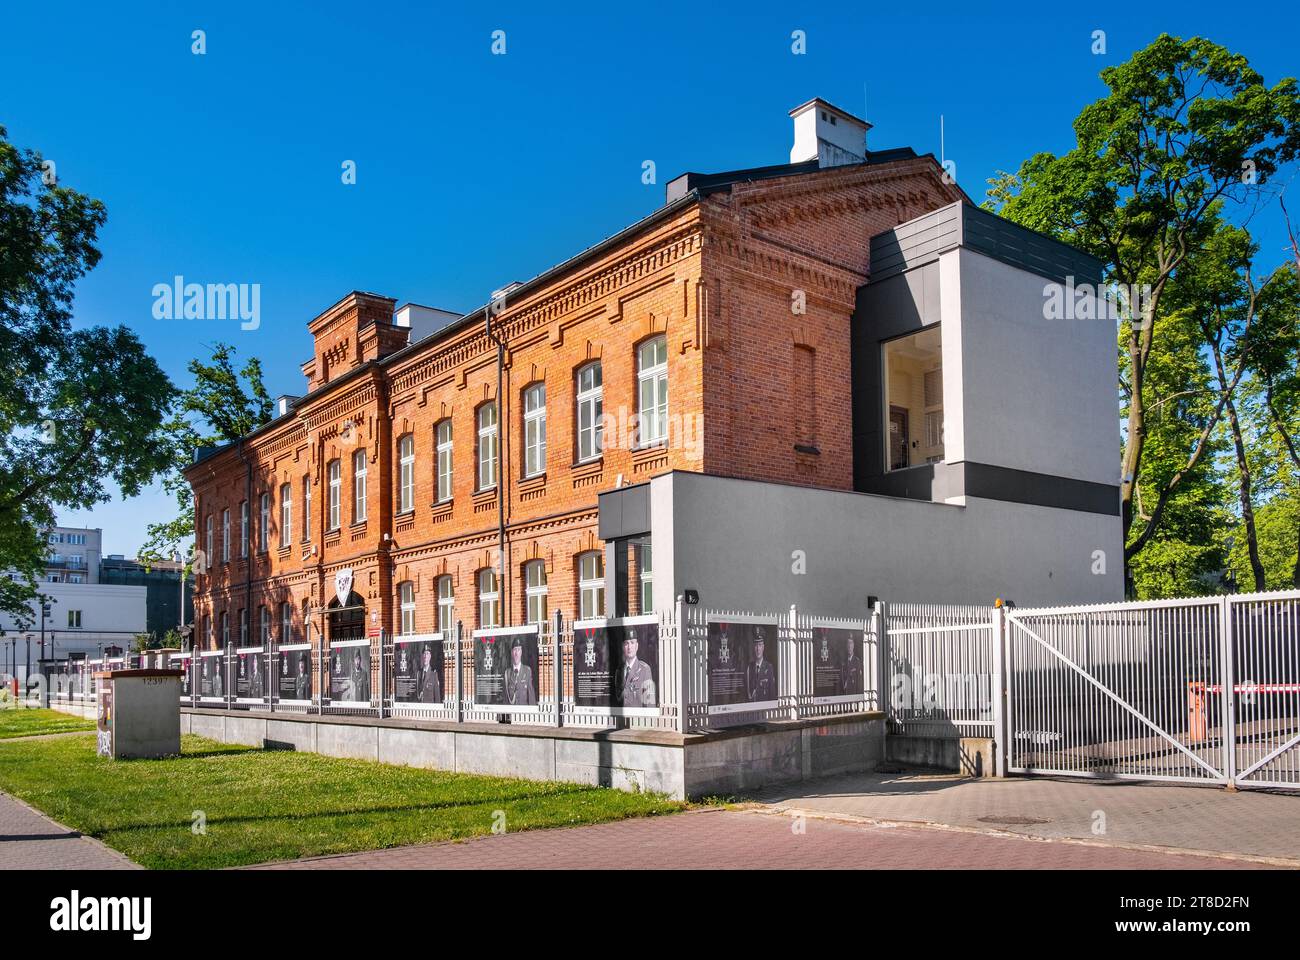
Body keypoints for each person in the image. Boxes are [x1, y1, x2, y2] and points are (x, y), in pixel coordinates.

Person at [616, 627, 655, 708]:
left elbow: (649, 704)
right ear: (623, 647)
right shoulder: (618, 671)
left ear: (637, 646)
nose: (629, 647)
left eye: (632, 643)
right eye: (626, 643)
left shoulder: (645, 670)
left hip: (637, 719)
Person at [503, 636, 536, 706]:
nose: (516, 653)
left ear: (521, 652)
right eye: (515, 650)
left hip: (524, 713)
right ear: (512, 652)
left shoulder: (527, 671)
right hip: (511, 714)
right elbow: (505, 698)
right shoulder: (507, 673)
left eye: (518, 650)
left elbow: (531, 696)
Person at [745, 628, 776, 702]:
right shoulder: (749, 668)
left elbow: (772, 695)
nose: (758, 649)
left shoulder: (769, 668)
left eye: (760, 645)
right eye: (756, 645)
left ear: (763, 647)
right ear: (753, 647)